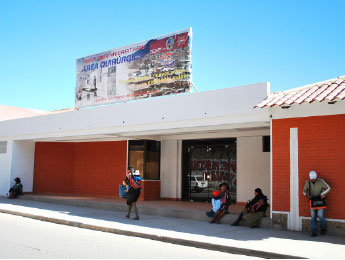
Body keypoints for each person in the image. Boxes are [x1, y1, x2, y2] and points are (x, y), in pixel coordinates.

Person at [303, 170, 331, 237]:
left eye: (314, 178)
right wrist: (305, 193)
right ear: (310, 178)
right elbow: (304, 190)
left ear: (316, 177)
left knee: (320, 215)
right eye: (312, 179)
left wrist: (323, 194)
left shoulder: (321, 181)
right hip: (312, 201)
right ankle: (314, 232)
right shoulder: (308, 182)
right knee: (313, 217)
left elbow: (328, 188)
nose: (313, 180)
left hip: (320, 201)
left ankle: (323, 229)